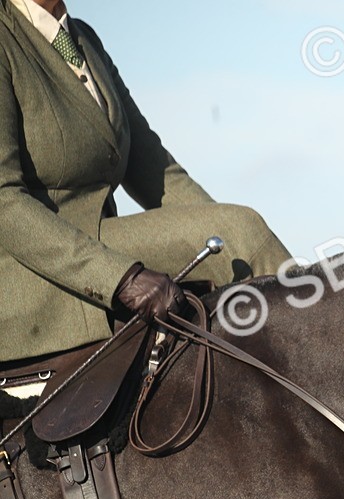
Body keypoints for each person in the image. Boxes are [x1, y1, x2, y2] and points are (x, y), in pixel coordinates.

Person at [0, 0, 292, 394]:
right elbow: (4, 203)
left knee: (239, 232)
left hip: (98, 240)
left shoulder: (83, 38)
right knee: (241, 231)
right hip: (33, 270)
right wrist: (119, 278)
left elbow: (156, 171)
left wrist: (223, 237)